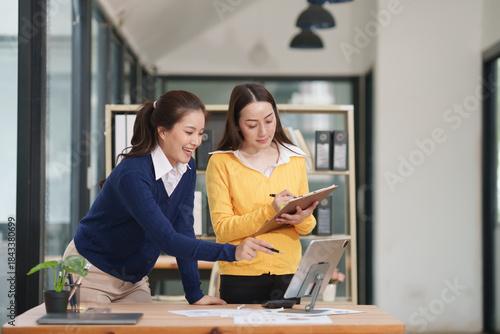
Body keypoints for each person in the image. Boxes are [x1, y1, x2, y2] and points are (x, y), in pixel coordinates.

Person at [63, 90, 274, 305]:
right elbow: (167, 240)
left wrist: (195, 294)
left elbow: (183, 228)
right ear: (163, 131)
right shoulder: (133, 174)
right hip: (90, 273)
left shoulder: (187, 167)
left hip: (132, 281)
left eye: (200, 133)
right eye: (189, 132)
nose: (196, 141)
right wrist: (233, 251)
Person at [205, 83, 318, 304]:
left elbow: (307, 226)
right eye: (251, 125)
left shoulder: (294, 158)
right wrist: (270, 210)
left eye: (269, 120)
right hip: (240, 276)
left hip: (288, 275)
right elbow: (222, 229)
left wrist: (302, 219)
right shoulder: (221, 163)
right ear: (237, 125)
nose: (264, 131)